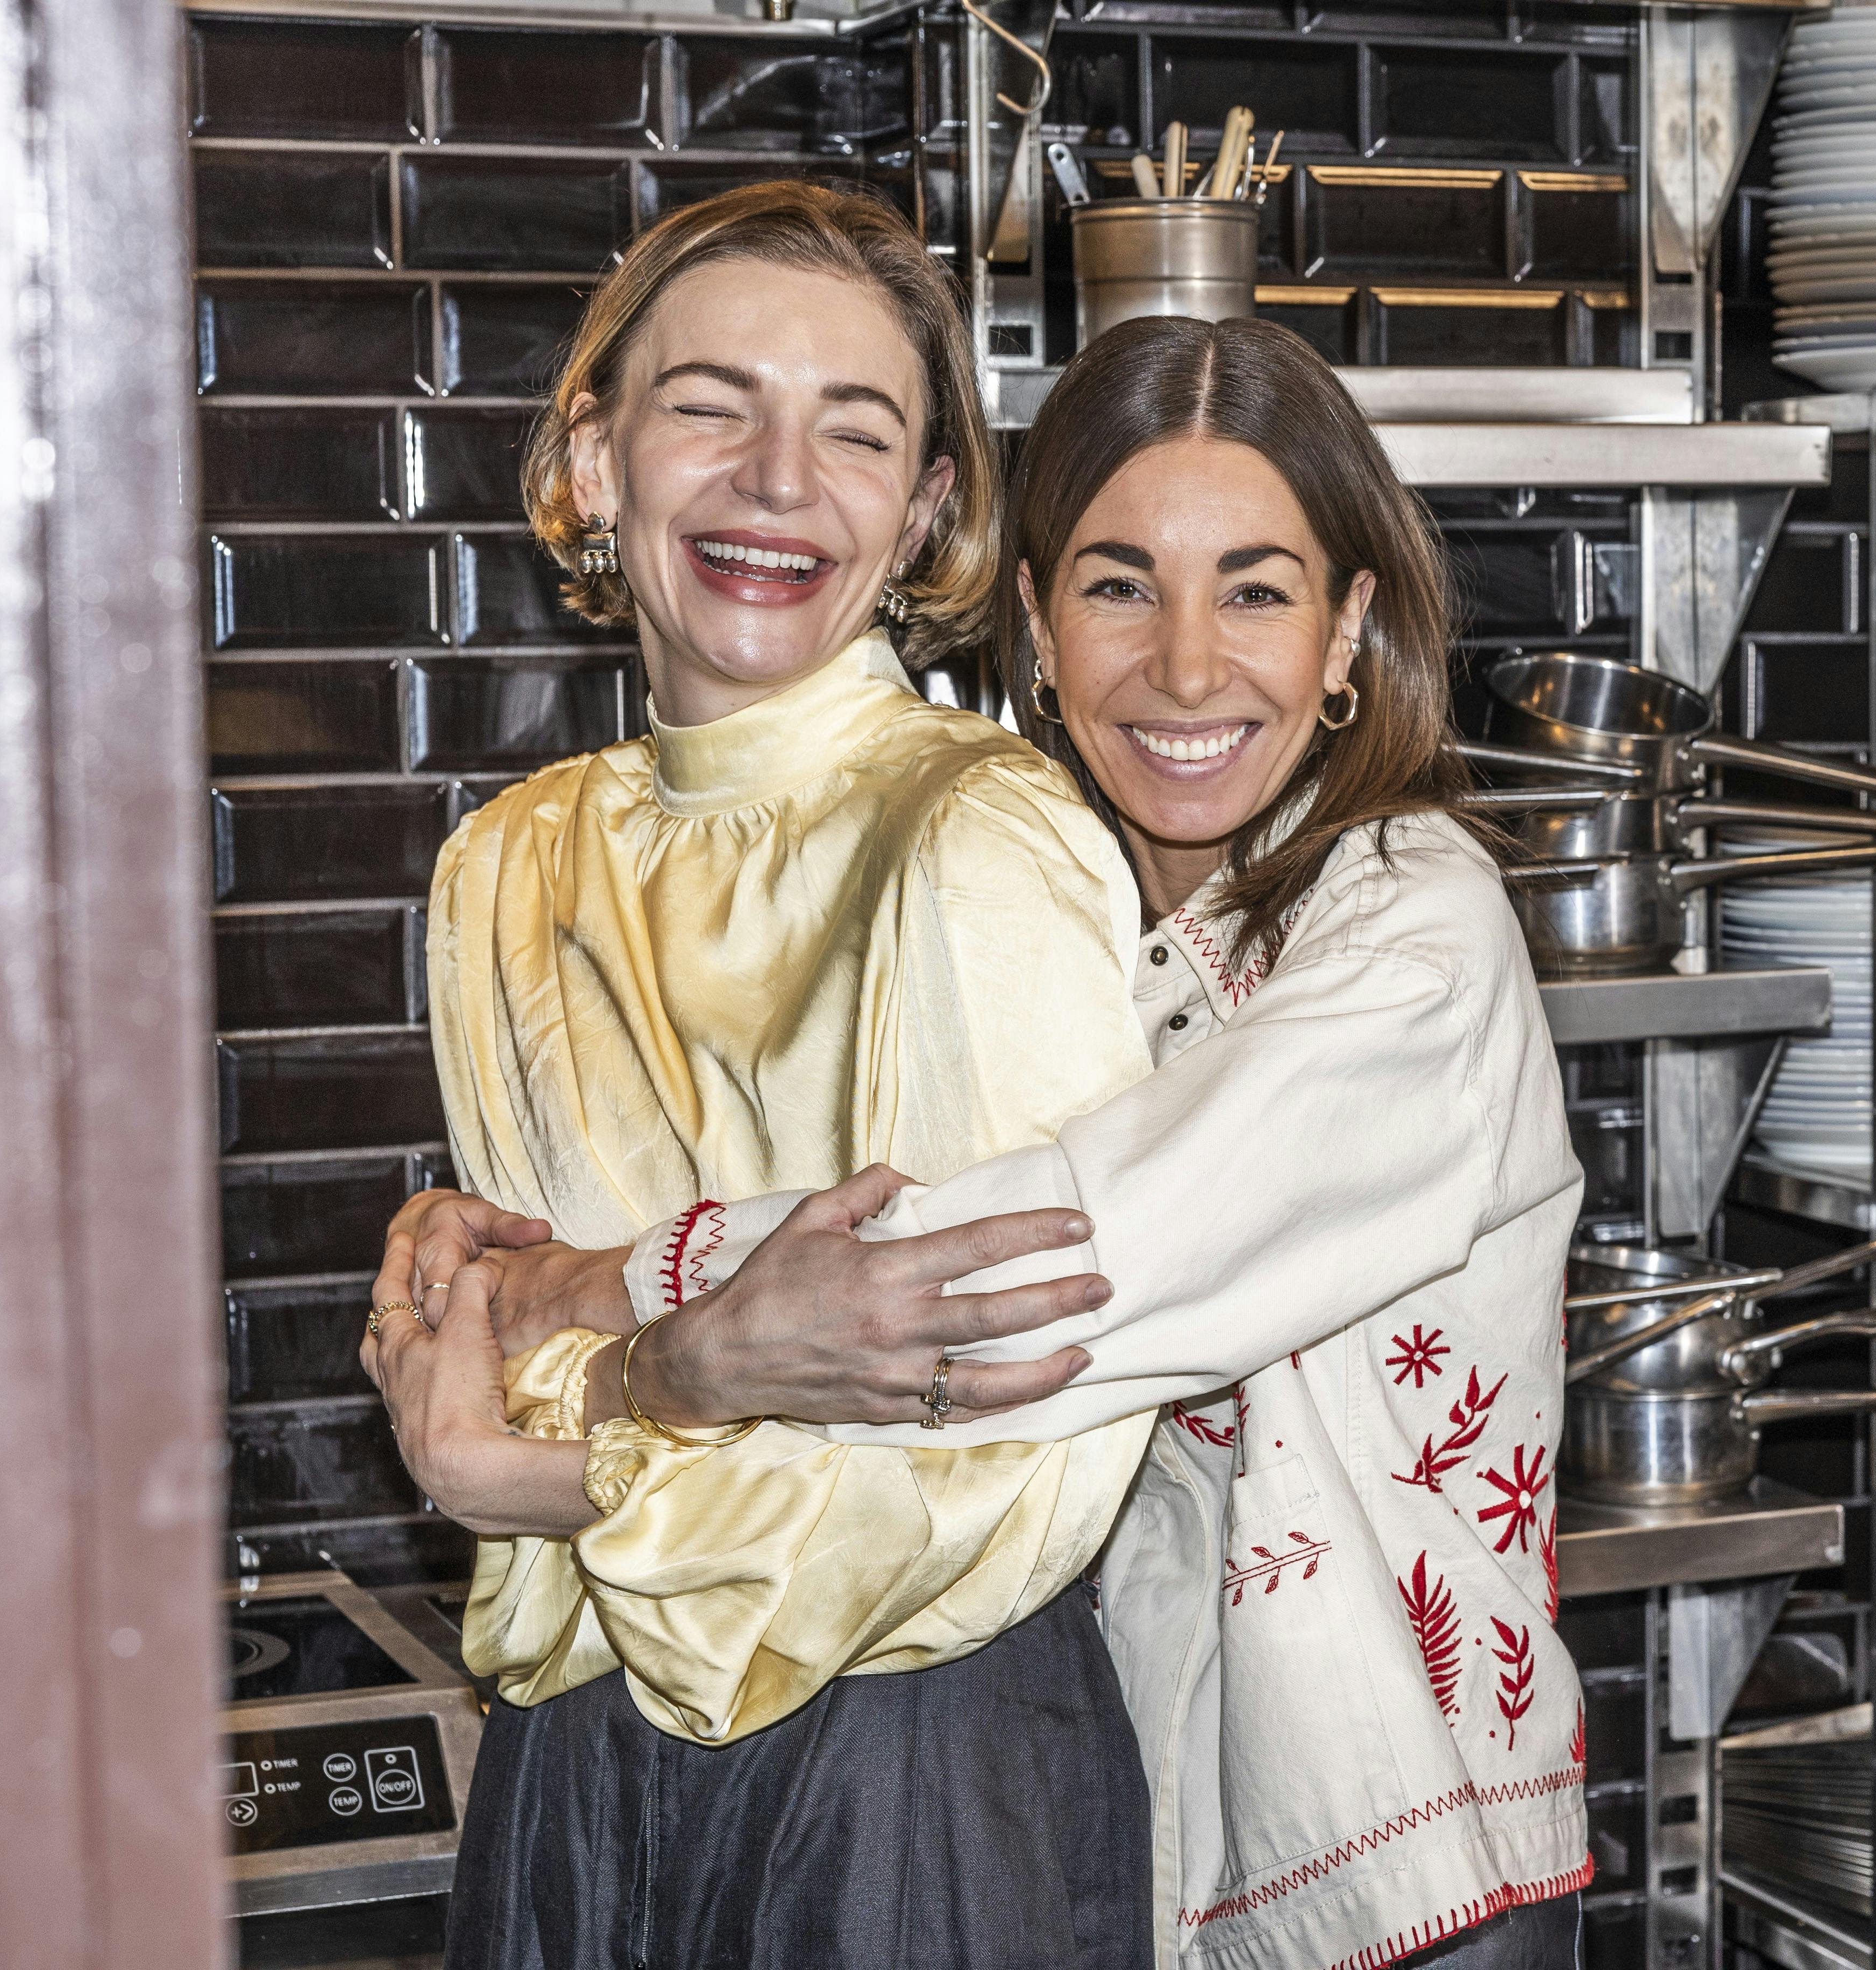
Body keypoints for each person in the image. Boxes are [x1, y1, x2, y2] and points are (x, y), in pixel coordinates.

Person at [374, 316, 1591, 1968]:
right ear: (1031, 623)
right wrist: (554, 1286)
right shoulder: (1072, 919)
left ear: (1347, 630)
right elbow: (882, 1316)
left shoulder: (1412, 930)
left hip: (1404, 1883)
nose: (1182, 664)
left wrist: (606, 1305)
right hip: (1163, 1841)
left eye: (1254, 589)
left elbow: (1047, 1262)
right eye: (1114, 585)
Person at [368, 179, 1165, 1967]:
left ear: (927, 511)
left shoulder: (975, 835)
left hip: (905, 1781)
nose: (778, 480)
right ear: (594, 462)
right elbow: (509, 1338)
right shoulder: (508, 865)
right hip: (576, 1750)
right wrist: (570, 1372)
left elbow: (1022, 1448)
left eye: (855, 430)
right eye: (713, 403)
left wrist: (574, 1470)